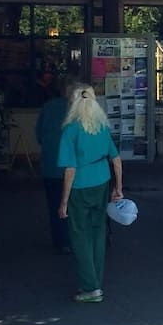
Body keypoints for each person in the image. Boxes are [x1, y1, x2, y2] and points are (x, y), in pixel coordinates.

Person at [57, 83, 124, 303]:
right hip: (102, 182)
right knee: (98, 233)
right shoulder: (102, 127)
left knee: (79, 236)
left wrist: (63, 202)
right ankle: (97, 281)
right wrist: (118, 188)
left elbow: (70, 168)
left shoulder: (71, 130)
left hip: (79, 187)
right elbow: (116, 160)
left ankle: (90, 286)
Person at [35, 76, 72, 255]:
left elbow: (39, 135)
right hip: (73, 168)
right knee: (74, 205)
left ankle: (60, 240)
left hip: (50, 165)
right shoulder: (77, 110)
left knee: (54, 204)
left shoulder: (48, 106)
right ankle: (73, 238)